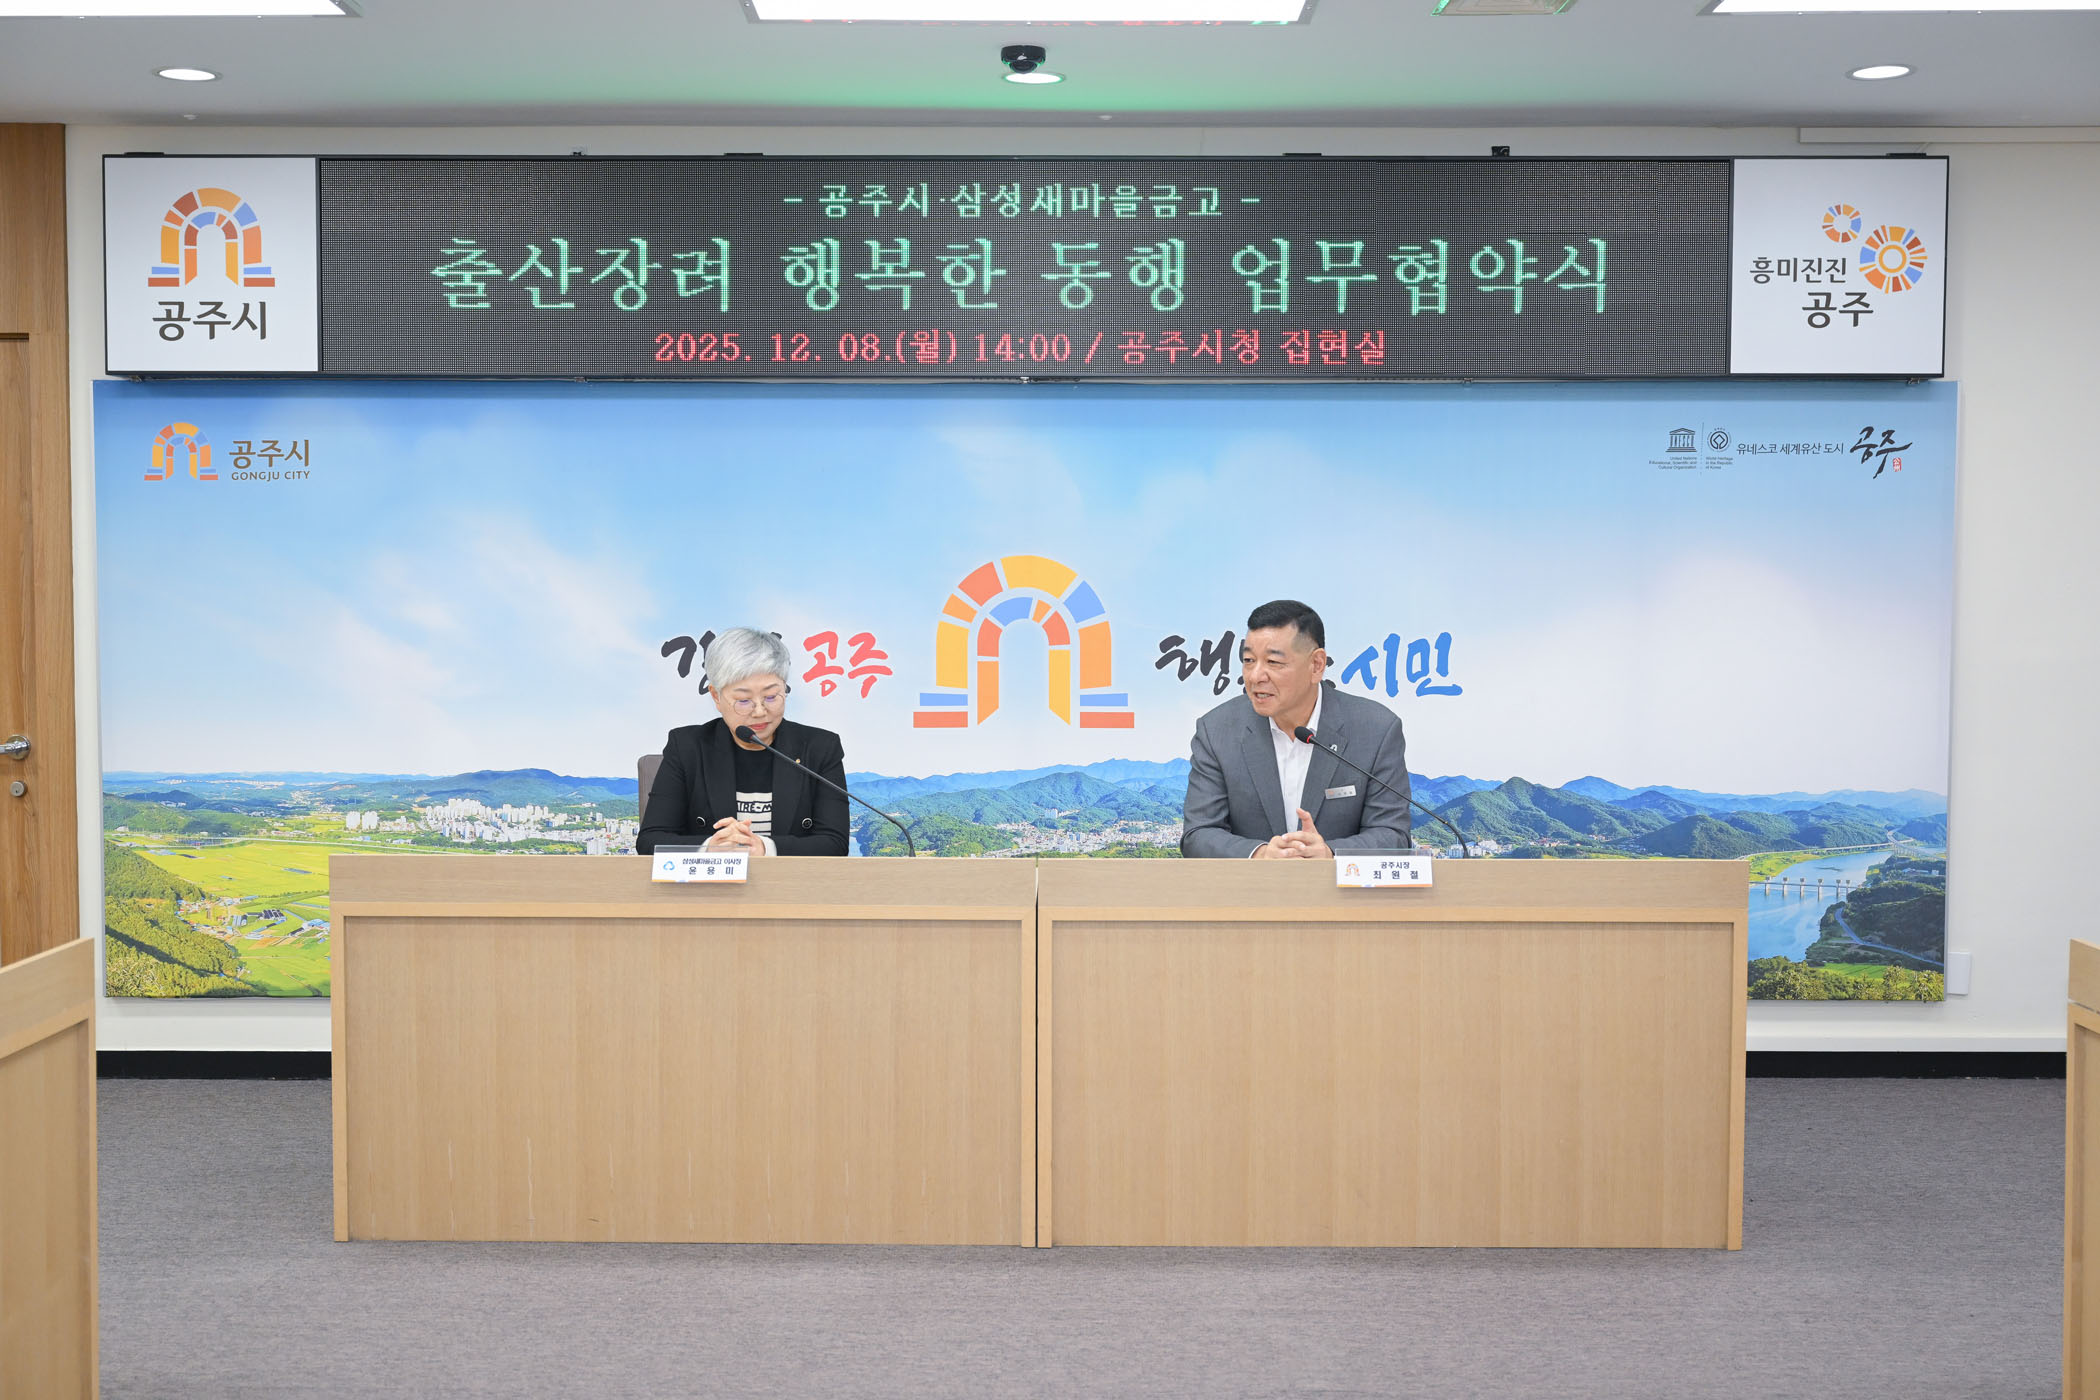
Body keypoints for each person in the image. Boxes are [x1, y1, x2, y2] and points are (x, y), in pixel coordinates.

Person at [1180, 599, 1411, 859]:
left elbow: (1393, 834)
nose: (1255, 676)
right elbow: (1199, 834)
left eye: (1273, 662)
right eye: (1248, 660)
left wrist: (1330, 855)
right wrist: (1261, 855)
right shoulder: (1217, 730)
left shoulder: (1376, 729)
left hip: (1339, 885)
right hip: (1253, 885)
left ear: (1317, 665)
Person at [637, 627, 849, 857]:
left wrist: (765, 848)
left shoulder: (820, 748)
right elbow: (650, 840)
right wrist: (709, 847)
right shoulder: (688, 747)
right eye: (744, 700)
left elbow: (835, 843)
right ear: (716, 696)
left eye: (771, 696)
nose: (760, 711)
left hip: (791, 880)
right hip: (712, 880)